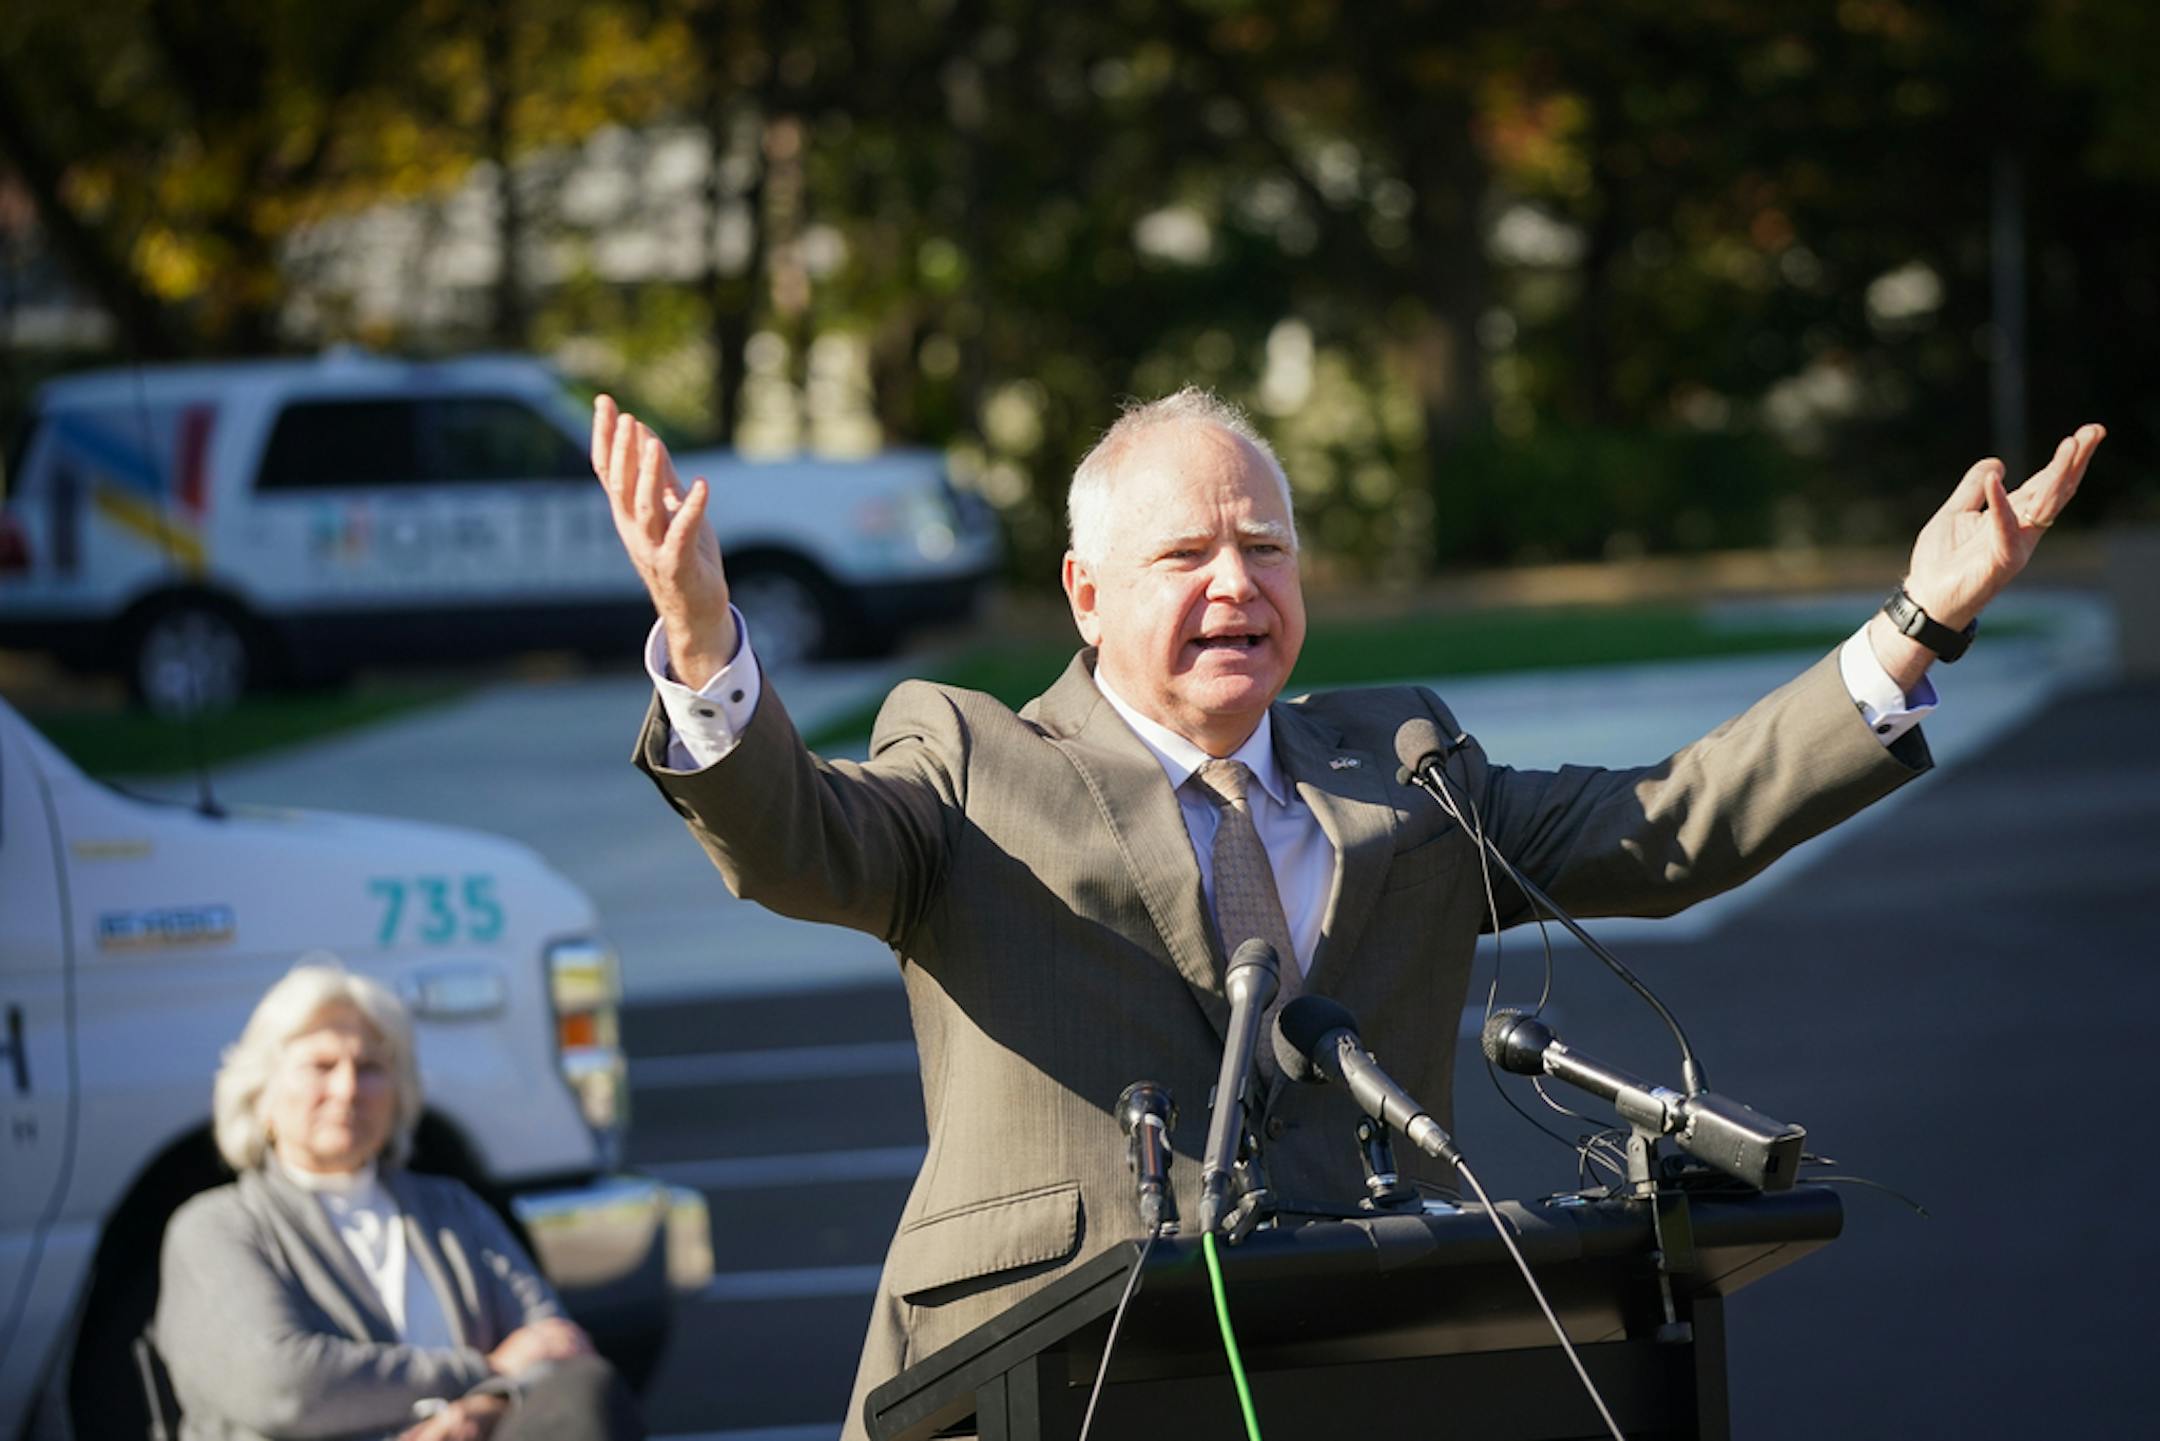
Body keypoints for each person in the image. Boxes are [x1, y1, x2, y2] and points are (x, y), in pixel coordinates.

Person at [592, 388, 2100, 1437]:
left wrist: (1916, 625)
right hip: (1031, 1383)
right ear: (1085, 594)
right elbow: (799, 841)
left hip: (1351, 1373)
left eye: (1266, 547)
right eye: (1186, 555)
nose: (1236, 582)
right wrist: (709, 649)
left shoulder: (1407, 769)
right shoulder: (976, 758)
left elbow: (1673, 824)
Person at [155, 960, 643, 1441]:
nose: (347, 1090)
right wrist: (487, 1370)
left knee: (586, 1391)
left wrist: (487, 1405)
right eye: (321, 1067)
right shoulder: (216, 1226)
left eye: (369, 1068)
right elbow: (283, 1385)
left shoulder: (450, 1209)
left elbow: (558, 1345)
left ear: (400, 1093)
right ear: (261, 1094)